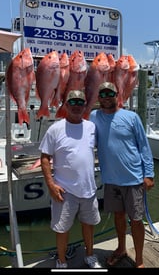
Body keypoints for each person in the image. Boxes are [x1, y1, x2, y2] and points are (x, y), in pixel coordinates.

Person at [90, 81, 155, 268]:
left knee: (136, 219)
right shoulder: (94, 116)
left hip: (133, 178)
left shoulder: (131, 117)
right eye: (102, 94)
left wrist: (149, 174)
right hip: (111, 180)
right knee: (119, 216)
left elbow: (144, 146)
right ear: (98, 98)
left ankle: (140, 259)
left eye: (110, 93)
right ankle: (121, 248)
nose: (106, 97)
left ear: (117, 95)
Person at [39, 90, 102, 269]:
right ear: (66, 106)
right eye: (72, 102)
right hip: (64, 191)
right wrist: (51, 185)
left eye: (79, 103)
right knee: (62, 229)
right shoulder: (55, 129)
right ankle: (61, 260)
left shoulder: (91, 127)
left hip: (88, 189)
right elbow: (45, 157)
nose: (76, 106)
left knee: (89, 225)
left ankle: (90, 255)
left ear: (84, 107)